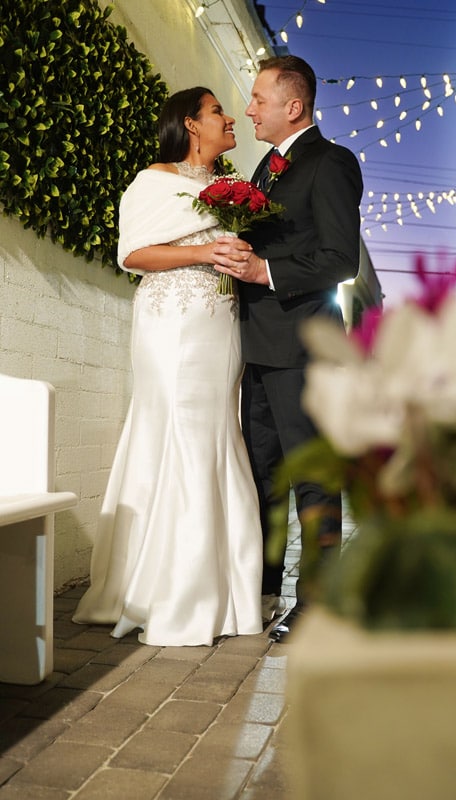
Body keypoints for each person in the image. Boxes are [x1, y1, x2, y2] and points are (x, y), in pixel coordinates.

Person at [73, 87, 263, 646]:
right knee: (176, 433)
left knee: (215, 434)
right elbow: (131, 254)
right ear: (190, 125)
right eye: (217, 112)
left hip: (219, 323)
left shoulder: (230, 190)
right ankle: (171, 591)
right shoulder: (153, 181)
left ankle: (221, 588)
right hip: (172, 322)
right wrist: (204, 252)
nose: (230, 118)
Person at [212, 56, 364, 642]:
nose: (247, 109)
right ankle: (264, 588)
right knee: (264, 474)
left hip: (303, 348)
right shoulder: (264, 169)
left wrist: (261, 269)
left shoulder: (330, 162)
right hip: (259, 346)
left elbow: (339, 259)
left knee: (311, 479)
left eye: (257, 99)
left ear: (292, 106)